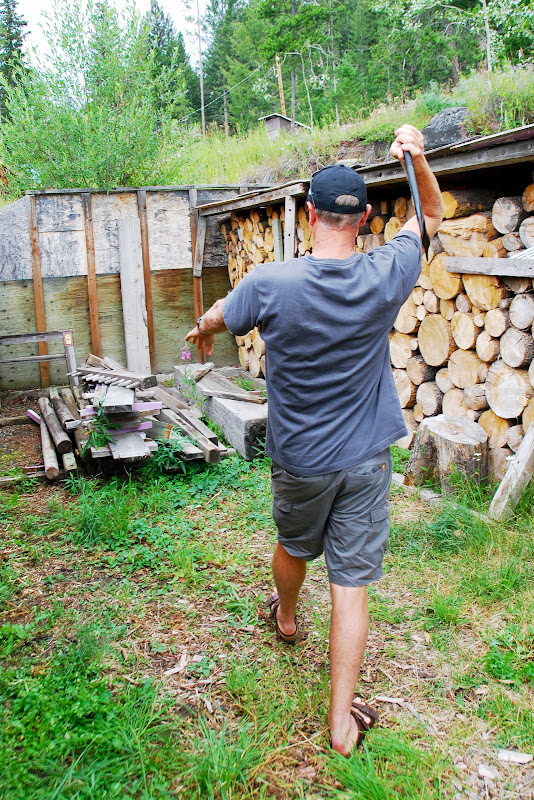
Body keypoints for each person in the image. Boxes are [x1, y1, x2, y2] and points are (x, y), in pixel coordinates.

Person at [185, 124, 443, 756]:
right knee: (350, 585)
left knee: (294, 545)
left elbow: (222, 314)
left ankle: (286, 616)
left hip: (300, 459)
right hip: (366, 460)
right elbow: (431, 214)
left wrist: (203, 330)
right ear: (363, 221)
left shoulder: (269, 283)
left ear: (309, 215)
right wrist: (417, 157)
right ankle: (340, 725)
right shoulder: (387, 271)